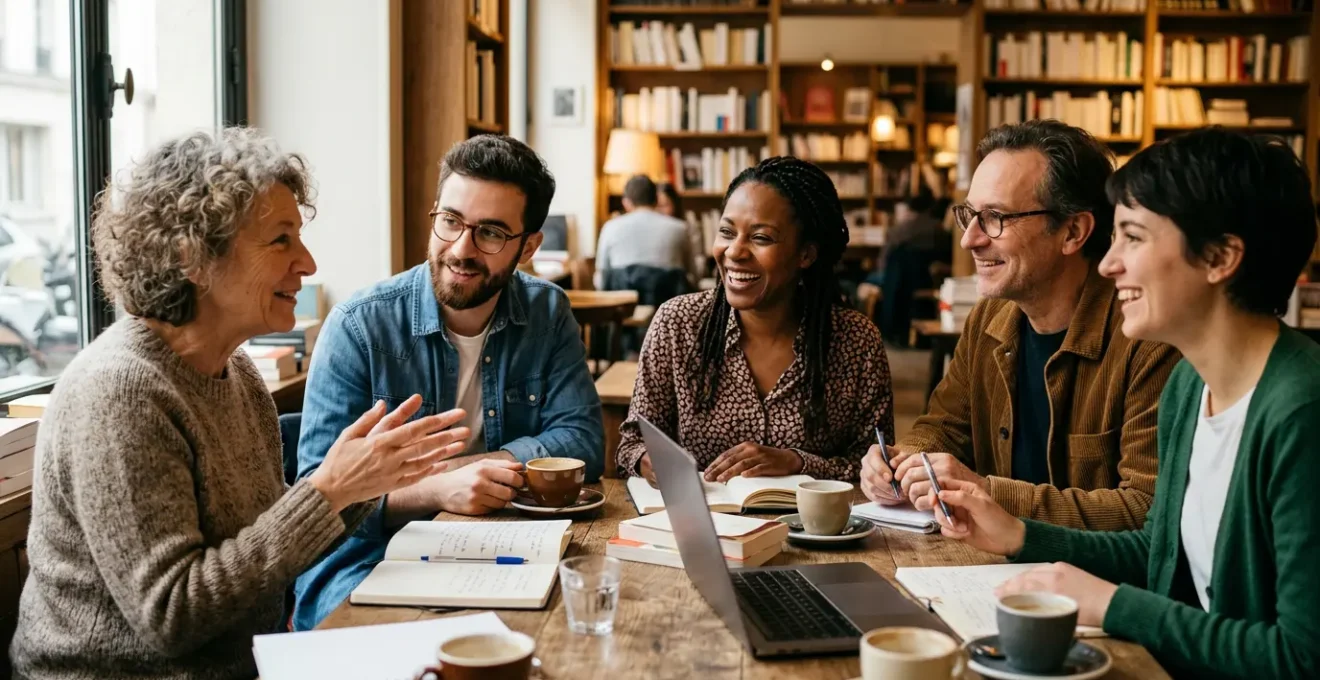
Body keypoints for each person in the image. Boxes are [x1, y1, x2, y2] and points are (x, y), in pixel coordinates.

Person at [9, 129, 469, 680]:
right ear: (192, 255)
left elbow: (261, 542)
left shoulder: (238, 372)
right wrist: (328, 491)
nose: (307, 263)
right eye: (280, 240)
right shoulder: (119, 393)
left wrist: (359, 486)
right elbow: (172, 616)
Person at [931, 128, 1320, 679]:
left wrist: (1115, 605)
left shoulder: (1301, 411)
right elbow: (1158, 551)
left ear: (1220, 257)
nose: (1108, 264)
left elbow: (1302, 658)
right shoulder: (1191, 386)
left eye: (1132, 238)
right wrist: (1020, 534)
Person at [293, 135, 605, 630]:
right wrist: (436, 489)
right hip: (366, 556)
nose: (461, 249)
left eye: (491, 233)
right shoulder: (359, 326)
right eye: (451, 221)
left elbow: (583, 440)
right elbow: (317, 501)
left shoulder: (547, 312)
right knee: (402, 646)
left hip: (500, 544)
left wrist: (475, 469)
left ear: (528, 247)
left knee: (562, 631)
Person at [860, 120, 1179, 530]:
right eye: (969, 215)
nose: (970, 239)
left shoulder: (1147, 339)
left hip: (1079, 570)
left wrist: (988, 494)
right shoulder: (988, 319)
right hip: (990, 561)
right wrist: (904, 462)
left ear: (1073, 231)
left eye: (995, 217)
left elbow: (1145, 509)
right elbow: (943, 427)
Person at [617, 157, 894, 483]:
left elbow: (878, 468)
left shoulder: (856, 341)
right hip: (707, 515)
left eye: (761, 238)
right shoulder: (677, 324)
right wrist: (649, 461)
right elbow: (631, 445)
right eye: (726, 232)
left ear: (806, 254)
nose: (735, 252)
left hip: (810, 517)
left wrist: (797, 463)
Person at [595, 174, 699, 290]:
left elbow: (601, 279)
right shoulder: (680, 229)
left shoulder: (610, 228)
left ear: (626, 202)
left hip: (622, 300)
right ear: (656, 199)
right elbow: (694, 276)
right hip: (666, 300)